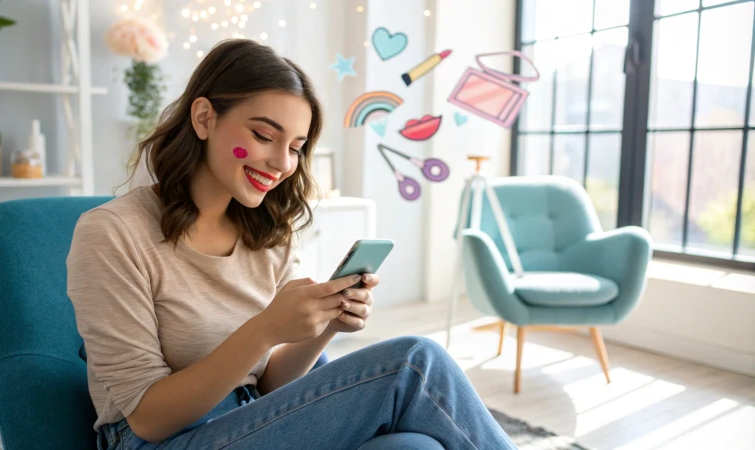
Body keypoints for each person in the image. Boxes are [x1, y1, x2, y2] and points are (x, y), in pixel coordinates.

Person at [66, 39, 516, 450]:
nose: (282, 163)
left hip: (252, 422)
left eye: (297, 146)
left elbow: (266, 386)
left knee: (416, 448)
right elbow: (146, 419)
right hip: (163, 442)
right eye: (264, 136)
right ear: (204, 118)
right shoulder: (112, 233)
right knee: (415, 363)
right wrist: (263, 328)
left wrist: (326, 325)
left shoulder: (267, 236)